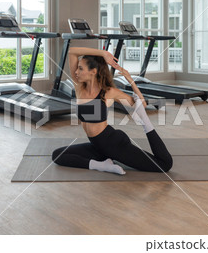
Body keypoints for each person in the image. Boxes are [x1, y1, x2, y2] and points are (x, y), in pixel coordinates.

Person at [51, 47, 173, 175]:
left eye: (80, 68)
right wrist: (103, 53)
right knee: (58, 155)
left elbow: (141, 104)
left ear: (93, 71)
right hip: (97, 146)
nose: (76, 71)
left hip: (113, 144)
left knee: (164, 164)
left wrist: (130, 80)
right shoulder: (79, 87)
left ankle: (146, 125)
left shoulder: (108, 92)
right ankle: (102, 165)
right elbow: (72, 51)